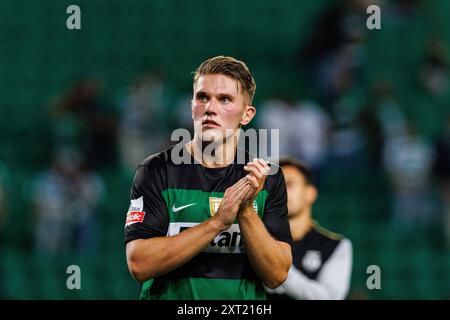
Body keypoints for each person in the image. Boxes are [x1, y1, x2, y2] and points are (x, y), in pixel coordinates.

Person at [124, 56, 292, 300]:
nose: (210, 108)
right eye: (202, 97)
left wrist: (245, 211)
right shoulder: (157, 171)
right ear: (192, 105)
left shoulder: (267, 178)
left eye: (224, 99)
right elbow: (139, 264)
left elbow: (276, 275)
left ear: (247, 115)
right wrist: (217, 223)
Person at [266, 157, 352, 300]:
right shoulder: (251, 237)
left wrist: (274, 265)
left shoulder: (335, 246)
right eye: (273, 185)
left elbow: (329, 298)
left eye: (289, 184)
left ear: (309, 194)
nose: (279, 191)